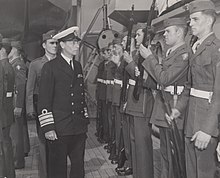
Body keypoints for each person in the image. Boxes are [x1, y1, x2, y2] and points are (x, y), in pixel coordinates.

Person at [169, 1, 220, 177]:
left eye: (195, 19)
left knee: (204, 171)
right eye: (190, 19)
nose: (190, 24)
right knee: (190, 171)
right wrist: (178, 108)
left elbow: (219, 95)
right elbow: (190, 87)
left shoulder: (216, 49)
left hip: (206, 122)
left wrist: (207, 129)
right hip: (191, 120)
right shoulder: (194, 48)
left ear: (209, 20)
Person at [140, 17, 190, 178]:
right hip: (165, 106)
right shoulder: (172, 53)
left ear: (180, 32)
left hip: (173, 108)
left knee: (173, 157)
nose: (165, 35)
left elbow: (164, 78)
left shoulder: (184, 55)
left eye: (168, 31)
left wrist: (149, 58)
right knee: (165, 155)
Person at [38, 26, 89, 178]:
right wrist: (48, 128)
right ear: (62, 45)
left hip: (78, 128)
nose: (76, 46)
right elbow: (44, 100)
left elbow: (80, 95)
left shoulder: (78, 66)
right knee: (58, 170)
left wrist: (85, 120)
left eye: (77, 42)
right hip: (59, 129)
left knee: (78, 168)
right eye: (72, 42)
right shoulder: (50, 67)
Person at [121, 24, 156, 178]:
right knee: (134, 143)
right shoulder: (137, 54)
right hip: (133, 102)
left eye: (138, 35)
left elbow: (146, 80)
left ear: (147, 37)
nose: (135, 37)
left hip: (142, 104)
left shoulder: (150, 55)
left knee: (142, 147)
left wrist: (129, 63)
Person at [26, 29, 57, 178]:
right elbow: (30, 89)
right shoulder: (36, 64)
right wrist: (30, 109)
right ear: (44, 45)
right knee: (44, 141)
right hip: (42, 108)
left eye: (56, 43)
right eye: (51, 43)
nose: (55, 46)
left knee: (59, 141)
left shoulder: (62, 63)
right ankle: (45, 174)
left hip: (60, 107)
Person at [9, 40, 28, 169]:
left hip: (15, 102)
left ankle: (17, 161)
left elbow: (20, 86)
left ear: (15, 50)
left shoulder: (18, 65)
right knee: (15, 132)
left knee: (16, 134)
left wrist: (19, 105)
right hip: (13, 102)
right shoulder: (14, 64)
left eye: (10, 49)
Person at [0, 37, 15, 178]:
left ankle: (5, 173)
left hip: (2, 113)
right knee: (6, 142)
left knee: (3, 144)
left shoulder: (2, 67)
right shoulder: (8, 66)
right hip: (6, 112)